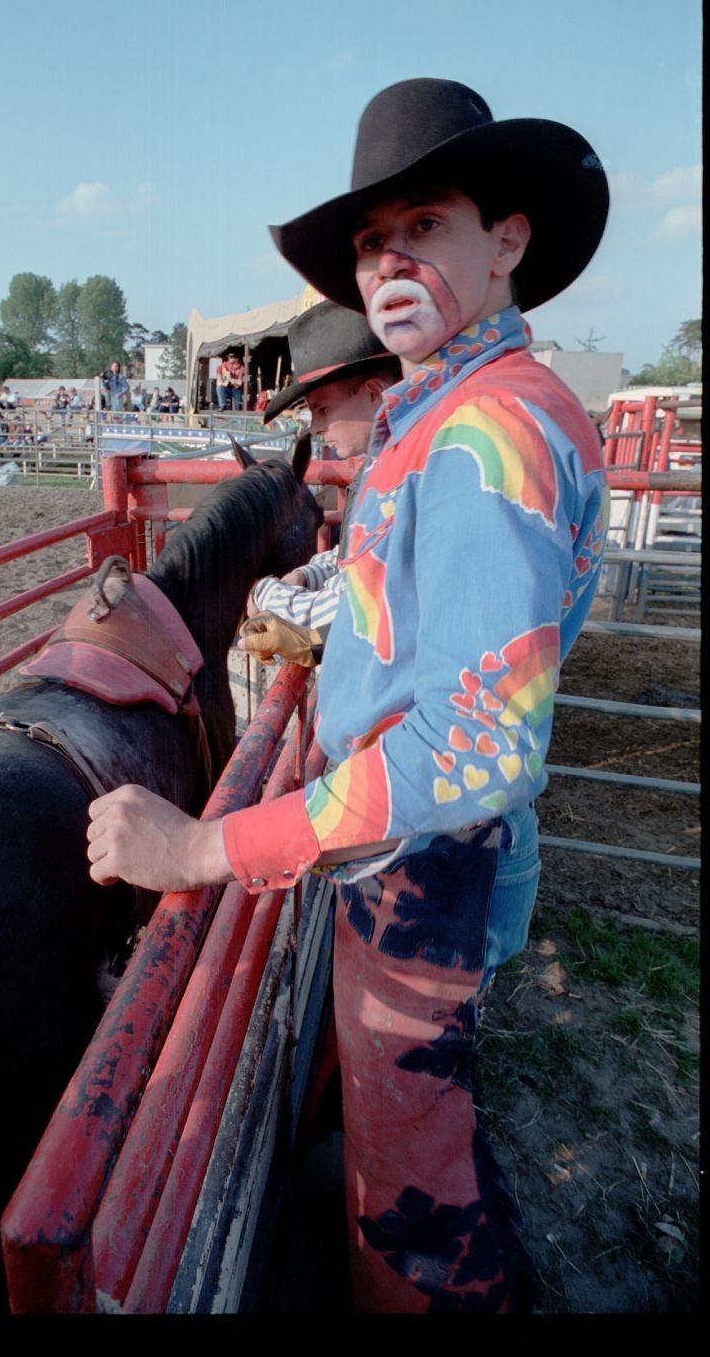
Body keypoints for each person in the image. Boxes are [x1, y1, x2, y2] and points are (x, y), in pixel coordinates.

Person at [84, 78, 609, 1313]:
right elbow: (406, 598)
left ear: (507, 240)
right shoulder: (448, 414)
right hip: (408, 853)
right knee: (405, 1125)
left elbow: (476, 748)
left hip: (422, 861)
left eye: (422, 224)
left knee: (413, 1192)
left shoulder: (489, 439)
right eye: (373, 242)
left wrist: (211, 843)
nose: (387, 261)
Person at [240, 301, 400, 662]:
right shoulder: (383, 463)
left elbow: (344, 614)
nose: (315, 427)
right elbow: (356, 555)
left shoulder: (400, 478)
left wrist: (260, 592)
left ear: (374, 394)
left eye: (323, 408)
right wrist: (305, 575)